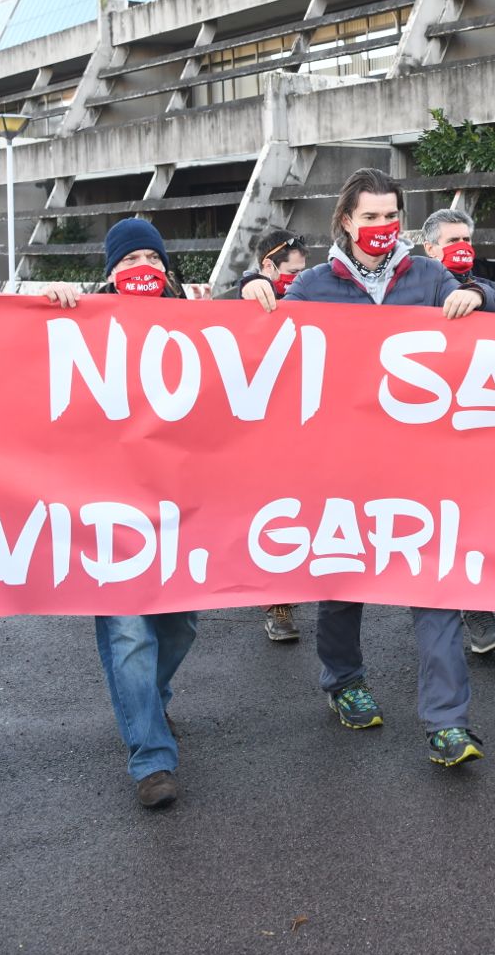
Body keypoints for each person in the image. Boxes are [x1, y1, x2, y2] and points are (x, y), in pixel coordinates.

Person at [278, 168, 491, 767]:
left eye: (390, 216)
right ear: (345, 220)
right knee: (345, 579)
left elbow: (491, 310)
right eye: (369, 216)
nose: (381, 227)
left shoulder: (427, 275)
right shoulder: (316, 284)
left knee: (435, 586)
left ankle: (448, 722)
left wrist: (477, 295)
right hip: (342, 463)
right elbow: (257, 336)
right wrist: (250, 288)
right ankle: (344, 682)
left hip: (422, 463)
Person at [42, 217, 228, 809]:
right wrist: (56, 305)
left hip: (180, 508)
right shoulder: (82, 321)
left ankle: (148, 699)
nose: (140, 269)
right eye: (127, 262)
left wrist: (243, 291)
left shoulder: (198, 320)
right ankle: (150, 757)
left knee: (180, 625)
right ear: (109, 273)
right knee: (128, 633)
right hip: (108, 511)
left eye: (151, 256)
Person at [418, 206, 495, 656]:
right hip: (419, 422)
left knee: (465, 518)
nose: (462, 248)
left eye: (466, 239)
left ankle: (475, 610)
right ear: (429, 248)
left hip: (472, 421)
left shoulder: (489, 286)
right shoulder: (411, 286)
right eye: (452, 240)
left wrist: (477, 292)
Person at [234, 229, 308, 642]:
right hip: (263, 426)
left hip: (305, 421)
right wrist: (250, 285)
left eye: (303, 272)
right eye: (291, 273)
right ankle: (277, 601)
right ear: (267, 267)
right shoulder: (245, 299)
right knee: (274, 509)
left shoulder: (312, 298)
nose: (299, 280)